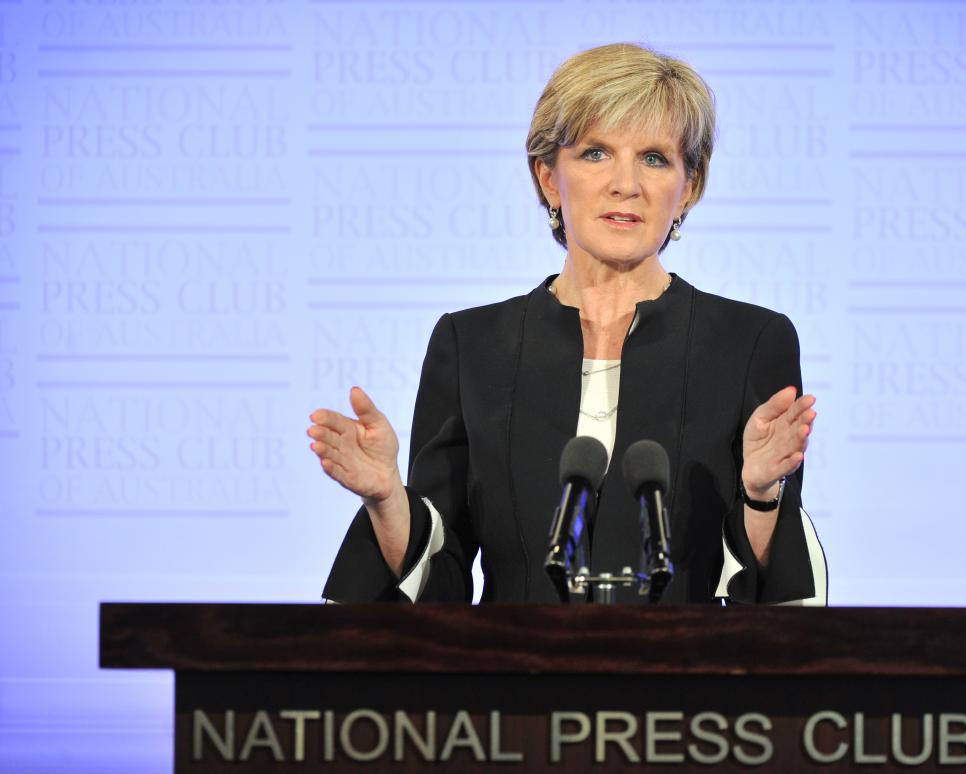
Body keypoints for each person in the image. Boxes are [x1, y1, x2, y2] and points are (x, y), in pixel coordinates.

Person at [309, 43, 826, 605]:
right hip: (515, 683)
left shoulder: (749, 343)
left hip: (681, 683)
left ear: (689, 188)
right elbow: (443, 576)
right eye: (596, 153)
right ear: (550, 178)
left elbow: (771, 602)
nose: (626, 183)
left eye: (654, 158)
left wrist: (760, 496)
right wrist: (388, 501)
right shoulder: (472, 345)